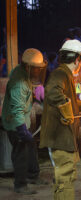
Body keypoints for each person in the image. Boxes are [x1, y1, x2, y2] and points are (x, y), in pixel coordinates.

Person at [39, 40, 81, 200]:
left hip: (64, 138)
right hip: (60, 139)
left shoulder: (65, 74)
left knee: (66, 178)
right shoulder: (60, 74)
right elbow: (52, 92)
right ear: (78, 60)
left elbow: (69, 99)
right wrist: (66, 109)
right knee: (65, 179)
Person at [1, 48, 48, 194]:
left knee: (31, 146)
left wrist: (33, 94)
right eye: (36, 69)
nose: (38, 72)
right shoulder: (19, 83)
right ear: (28, 67)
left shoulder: (22, 72)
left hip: (22, 120)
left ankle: (32, 176)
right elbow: (16, 109)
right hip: (15, 123)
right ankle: (20, 185)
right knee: (20, 151)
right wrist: (21, 130)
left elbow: (24, 97)